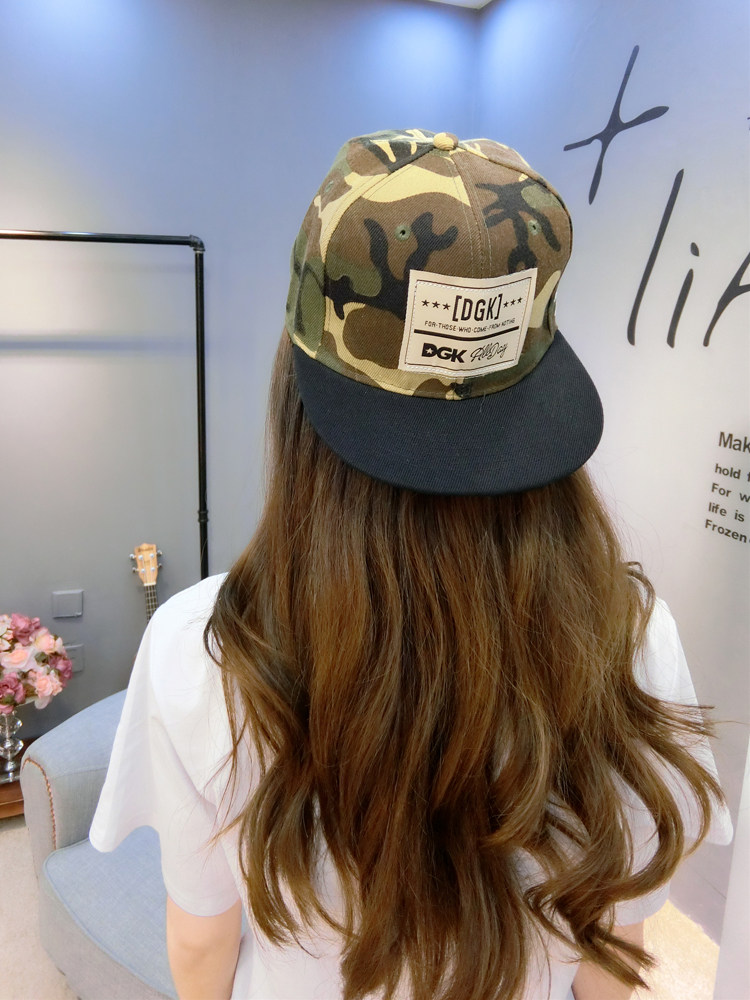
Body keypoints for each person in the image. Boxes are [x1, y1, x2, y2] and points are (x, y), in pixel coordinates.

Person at [90, 128, 733, 1000]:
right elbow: (610, 949)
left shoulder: (204, 646)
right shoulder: (628, 636)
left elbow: (200, 943)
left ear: (294, 378)